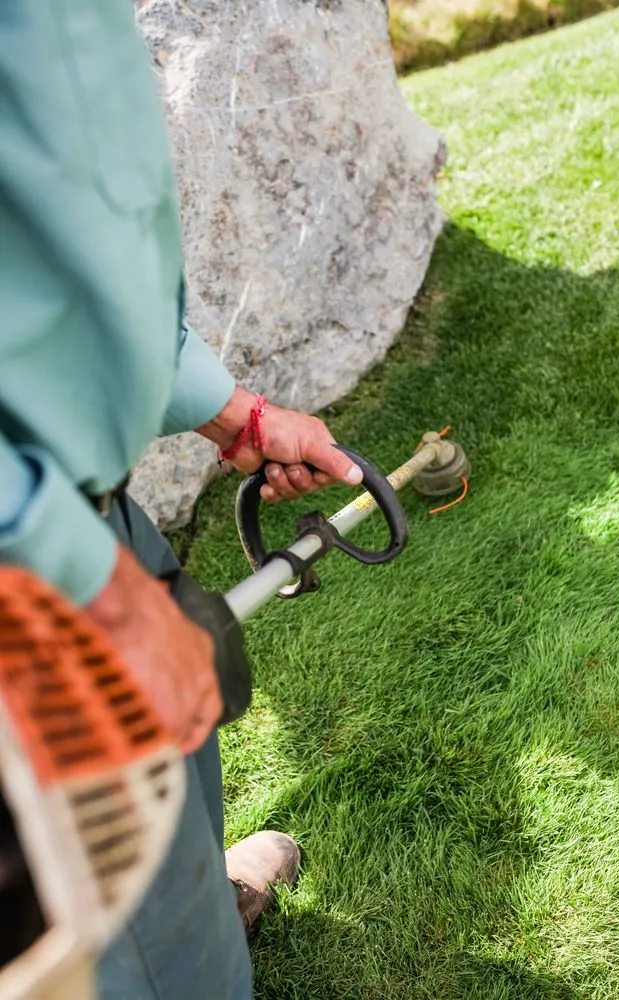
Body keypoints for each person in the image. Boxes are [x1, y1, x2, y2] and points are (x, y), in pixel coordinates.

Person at [0, 3, 363, 998]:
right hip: (25, 599)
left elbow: (59, 265)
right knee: (102, 923)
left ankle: (192, 910)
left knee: (179, 757)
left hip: (78, 516)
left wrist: (231, 415)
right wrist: (74, 574)